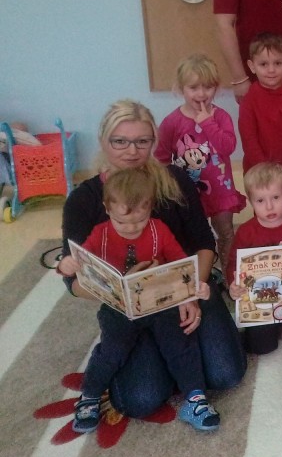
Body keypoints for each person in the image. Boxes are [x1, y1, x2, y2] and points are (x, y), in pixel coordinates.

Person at [61, 100, 246, 419]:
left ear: (153, 141)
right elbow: (74, 281)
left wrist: (191, 292)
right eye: (120, 141)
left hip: (187, 288)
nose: (131, 151)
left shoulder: (175, 179)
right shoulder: (83, 199)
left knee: (226, 375)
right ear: (103, 140)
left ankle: (178, 363)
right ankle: (165, 360)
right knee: (141, 399)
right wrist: (120, 291)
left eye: (142, 141)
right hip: (128, 309)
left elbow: (203, 243)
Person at [58, 168, 219, 433]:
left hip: (160, 302)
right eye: (123, 222)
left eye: (140, 220)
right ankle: (89, 396)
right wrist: (67, 265)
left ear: (150, 208)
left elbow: (182, 266)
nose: (132, 228)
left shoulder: (159, 230)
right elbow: (79, 263)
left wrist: (192, 291)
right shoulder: (100, 233)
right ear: (107, 209)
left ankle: (195, 399)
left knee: (181, 344)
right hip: (120, 307)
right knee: (111, 350)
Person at [155, 53, 244, 265]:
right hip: (190, 193)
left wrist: (207, 123)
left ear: (217, 87)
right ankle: (202, 273)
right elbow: (161, 158)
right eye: (193, 88)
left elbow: (228, 147)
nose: (202, 94)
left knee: (226, 233)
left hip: (221, 191)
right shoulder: (171, 122)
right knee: (195, 237)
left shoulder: (221, 117)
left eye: (208, 87)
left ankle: (229, 274)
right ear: (181, 88)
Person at [226, 162, 282, 354]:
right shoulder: (245, 232)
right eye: (260, 200)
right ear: (251, 201)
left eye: (276, 197)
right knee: (261, 347)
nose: (269, 206)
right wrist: (233, 285)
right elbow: (233, 265)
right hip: (259, 298)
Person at [237, 32, 282, 175]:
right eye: (263, 64)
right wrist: (265, 173)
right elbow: (249, 140)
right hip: (260, 175)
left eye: (278, 63)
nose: (271, 70)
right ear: (252, 66)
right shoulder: (249, 100)